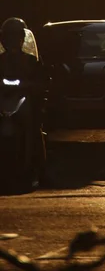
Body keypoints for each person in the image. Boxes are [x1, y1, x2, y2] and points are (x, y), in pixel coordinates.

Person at [0, 18, 49, 182]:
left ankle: (41, 170)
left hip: (25, 100)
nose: (12, 41)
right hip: (4, 101)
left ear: (22, 38)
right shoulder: (1, 61)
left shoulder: (31, 61)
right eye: (8, 37)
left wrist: (34, 87)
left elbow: (43, 80)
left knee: (35, 128)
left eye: (16, 37)